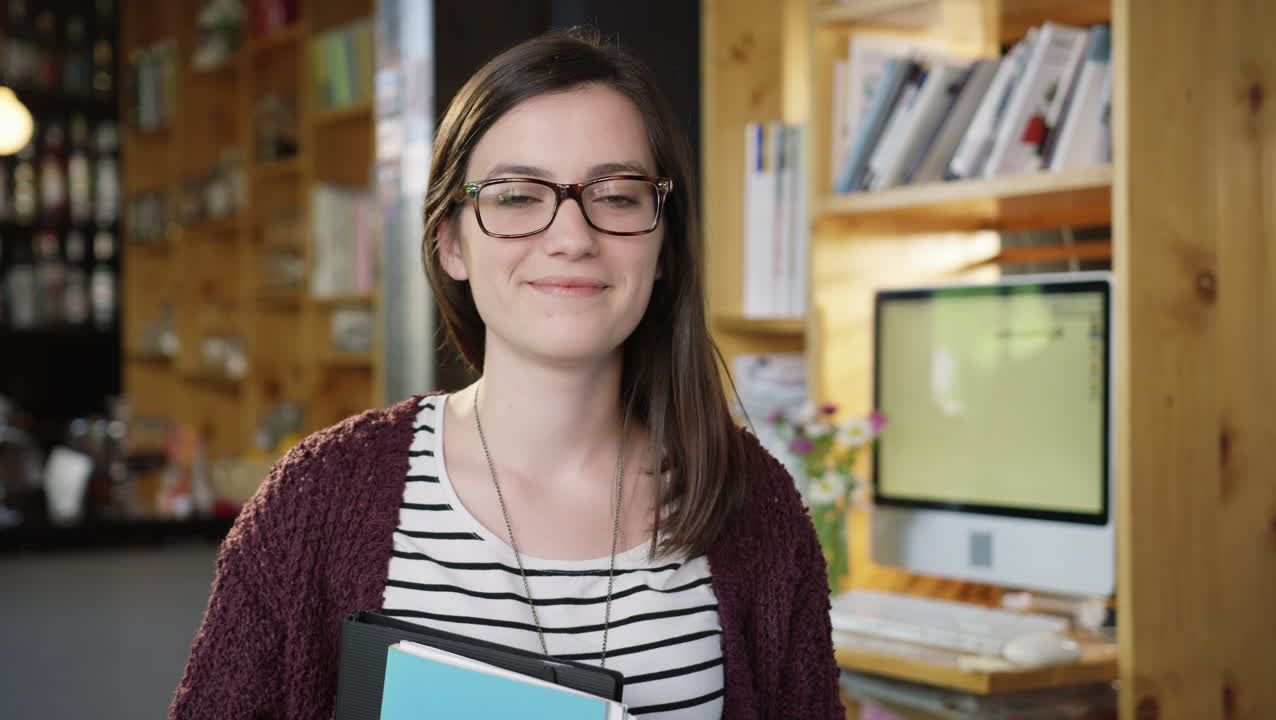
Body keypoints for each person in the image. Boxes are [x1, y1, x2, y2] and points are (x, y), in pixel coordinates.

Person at [169, 29, 842, 720]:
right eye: (517, 196)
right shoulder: (318, 497)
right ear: (451, 242)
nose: (573, 237)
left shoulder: (754, 502)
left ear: (664, 243)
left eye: (617, 196)